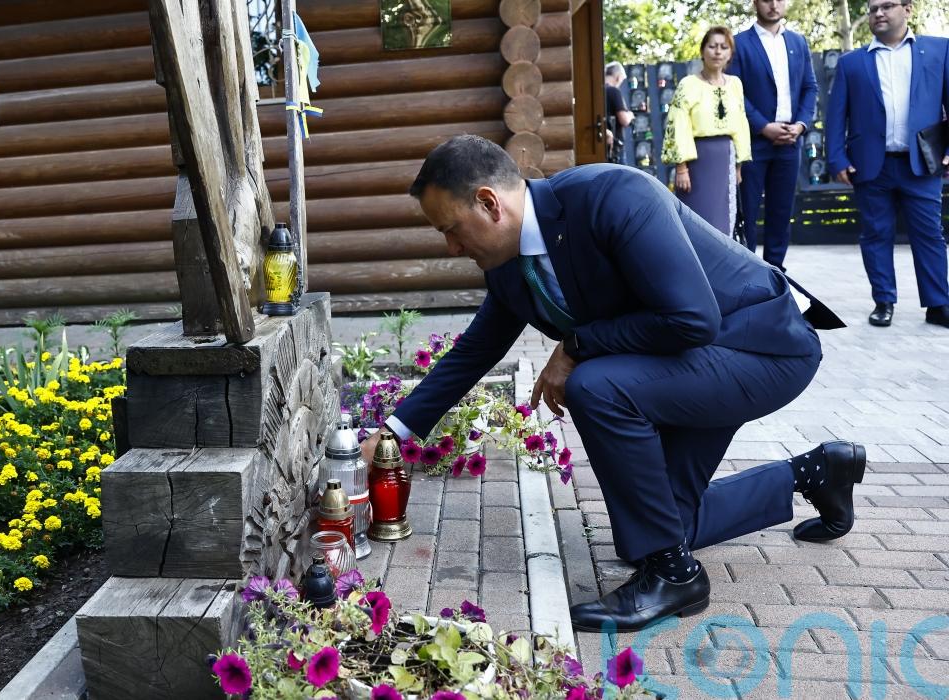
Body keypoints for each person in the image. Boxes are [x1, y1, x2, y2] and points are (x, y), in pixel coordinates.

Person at [360, 135, 864, 632]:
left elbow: (693, 319)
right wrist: (392, 435)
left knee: (596, 387)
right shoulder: (508, 267)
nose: (451, 247)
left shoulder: (612, 196)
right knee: (659, 528)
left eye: (451, 229)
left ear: (489, 203)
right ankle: (817, 472)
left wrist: (576, 345)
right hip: (693, 361)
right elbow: (475, 351)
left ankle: (675, 577)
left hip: (761, 347)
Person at [825, 0, 949, 329]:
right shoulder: (851, 63)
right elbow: (836, 116)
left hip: (921, 163)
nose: (878, 13)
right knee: (876, 234)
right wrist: (836, 158)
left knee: (930, 235)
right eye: (873, 8)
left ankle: (938, 304)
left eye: (887, 6)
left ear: (908, 9)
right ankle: (883, 301)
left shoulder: (939, 50)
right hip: (870, 165)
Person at [727, 0, 818, 271]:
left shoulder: (798, 42)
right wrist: (763, 126)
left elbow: (810, 87)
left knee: (781, 210)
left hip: (791, 140)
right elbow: (734, 91)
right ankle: (748, 272)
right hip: (754, 141)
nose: (774, 4)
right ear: (756, 3)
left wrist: (801, 124)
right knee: (748, 210)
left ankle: (776, 272)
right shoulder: (739, 44)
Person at [662, 27, 753, 235]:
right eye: (712, 46)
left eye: (724, 47)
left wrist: (738, 165)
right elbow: (678, 124)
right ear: (703, 51)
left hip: (726, 158)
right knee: (696, 220)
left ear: (730, 54)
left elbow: (741, 123)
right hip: (697, 160)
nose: (718, 52)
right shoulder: (688, 84)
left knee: (723, 220)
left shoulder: (735, 84)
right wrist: (681, 168)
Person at [604, 62, 634, 164]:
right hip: (615, 148)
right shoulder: (614, 91)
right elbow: (624, 120)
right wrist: (630, 115)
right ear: (618, 77)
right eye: (622, 80)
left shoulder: (597, 91)